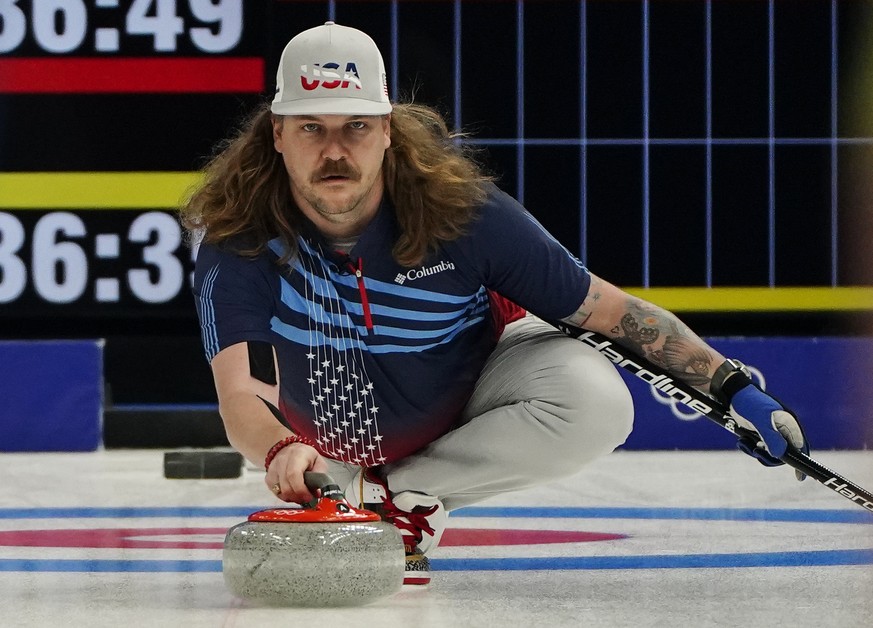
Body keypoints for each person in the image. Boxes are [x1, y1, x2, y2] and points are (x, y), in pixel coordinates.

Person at [181, 21, 808, 586]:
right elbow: (243, 391)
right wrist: (278, 449)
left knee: (596, 399)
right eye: (313, 128)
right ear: (278, 136)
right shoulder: (237, 237)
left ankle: (401, 495)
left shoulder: (464, 213)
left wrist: (733, 388)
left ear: (388, 133)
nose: (336, 150)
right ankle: (362, 493)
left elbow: (611, 313)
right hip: (327, 449)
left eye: (357, 127)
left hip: (463, 397)